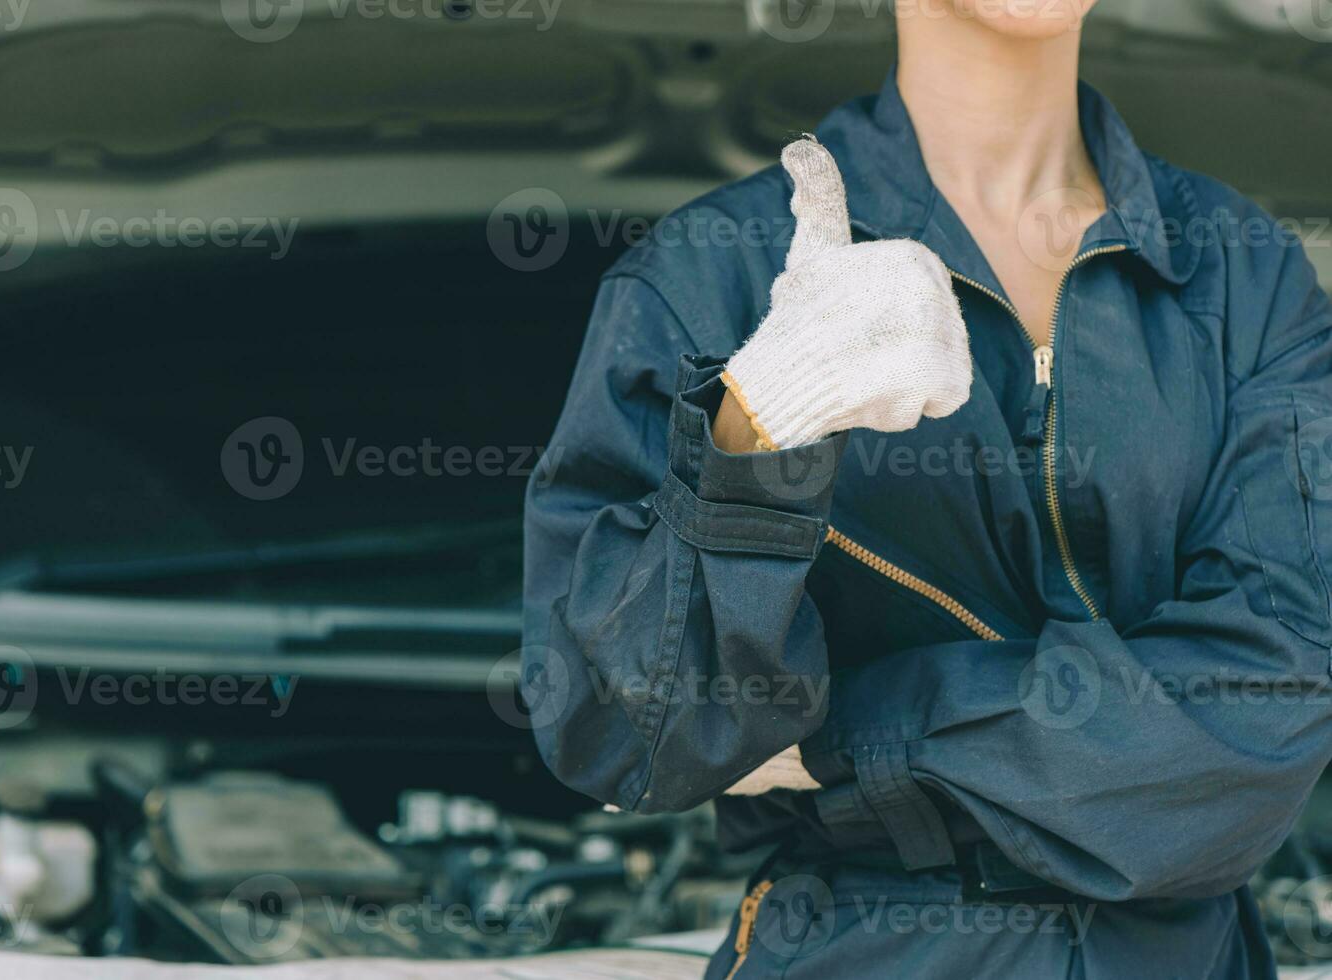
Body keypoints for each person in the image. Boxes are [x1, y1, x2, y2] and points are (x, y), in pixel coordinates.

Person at [522, 1, 1332, 976]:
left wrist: (857, 738)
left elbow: (1275, 700)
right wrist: (751, 437)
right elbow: (625, 735)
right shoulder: (702, 280)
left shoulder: (1248, 278)